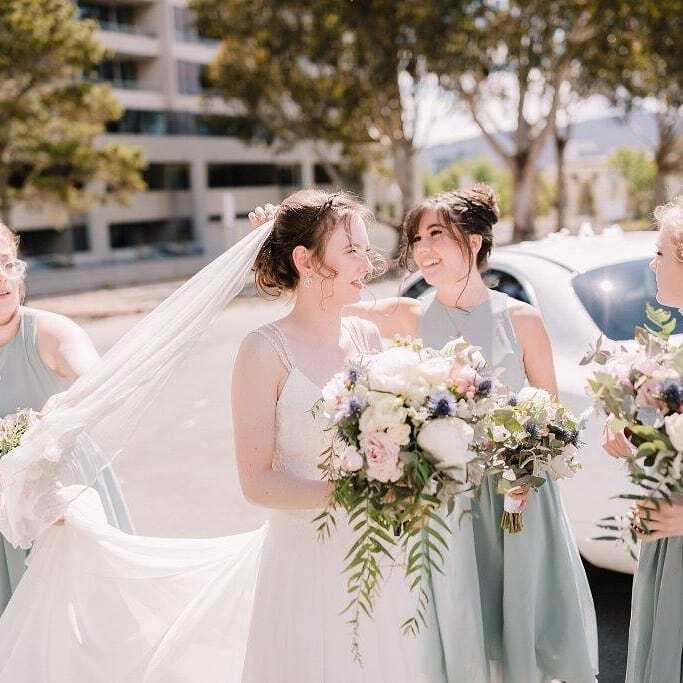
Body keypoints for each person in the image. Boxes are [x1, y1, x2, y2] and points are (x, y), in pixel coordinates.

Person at [0, 190, 477, 681]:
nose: (367, 262)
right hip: (304, 562)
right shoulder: (263, 351)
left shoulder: (367, 338)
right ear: (305, 261)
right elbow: (258, 482)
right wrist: (358, 495)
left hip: (379, 549)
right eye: (351, 249)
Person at [250, 187, 598, 682]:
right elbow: (313, 309)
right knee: (459, 631)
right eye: (416, 238)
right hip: (446, 507)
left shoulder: (522, 320)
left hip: (516, 505)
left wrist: (530, 464)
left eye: (438, 234)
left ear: (474, 242)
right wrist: (271, 239)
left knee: (522, 631)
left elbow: (553, 416)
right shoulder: (402, 316)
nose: (423, 248)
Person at [0, 222, 132, 614]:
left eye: (6, 264)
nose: (1, 278)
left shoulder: (51, 331)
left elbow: (97, 381)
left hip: (63, 499)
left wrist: (58, 412)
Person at [602, 196, 683, 683]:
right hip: (668, 546)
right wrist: (637, 444)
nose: (651, 264)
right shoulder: (672, 349)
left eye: (659, 253)